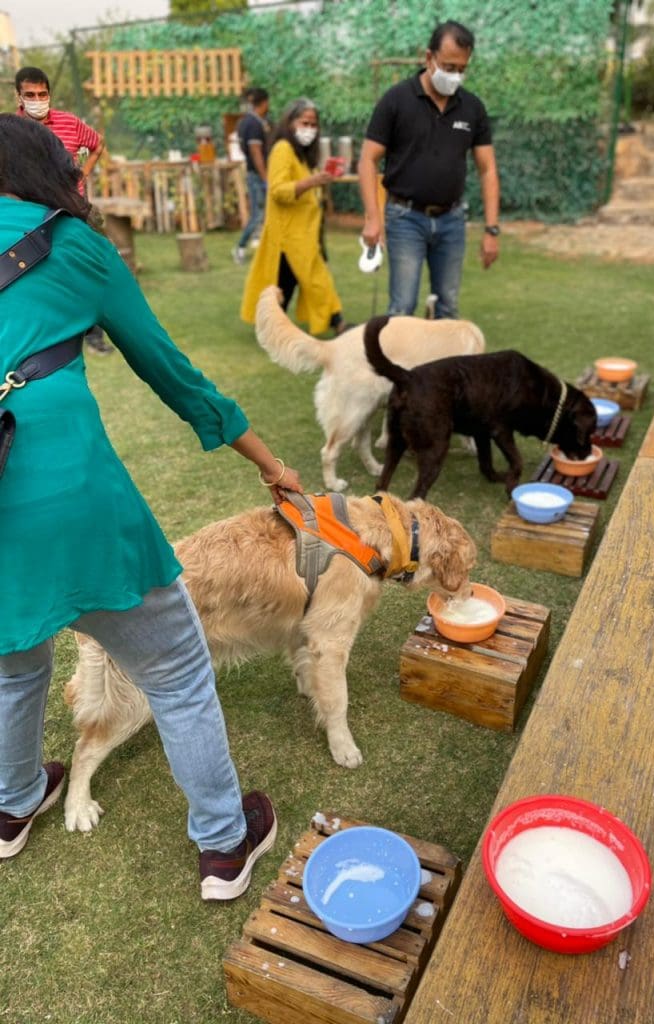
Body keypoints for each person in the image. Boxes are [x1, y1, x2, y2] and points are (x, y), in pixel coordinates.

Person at [0, 114, 303, 900]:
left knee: (11, 666)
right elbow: (172, 372)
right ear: (46, 172)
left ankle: (11, 806)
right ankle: (225, 845)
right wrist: (268, 462)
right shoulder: (73, 245)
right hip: (70, 493)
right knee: (174, 667)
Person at [358, 19, 500, 320]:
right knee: (402, 308)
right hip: (404, 218)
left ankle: (440, 369)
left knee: (448, 308)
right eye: (448, 67)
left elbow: (487, 169)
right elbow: (368, 159)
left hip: (452, 220)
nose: (455, 75)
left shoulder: (472, 108)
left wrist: (491, 229)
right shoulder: (396, 100)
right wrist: (373, 219)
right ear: (428, 58)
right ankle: (394, 367)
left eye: (462, 69)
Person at [15, 65, 113, 354]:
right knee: (43, 276)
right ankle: (52, 338)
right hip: (33, 214)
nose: (37, 99)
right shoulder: (12, 129)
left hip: (73, 210)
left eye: (42, 93)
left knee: (88, 269)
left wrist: (82, 174)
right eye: (30, 94)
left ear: (49, 94)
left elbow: (97, 143)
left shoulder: (69, 123)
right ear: (18, 96)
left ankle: (94, 333)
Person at [240, 97, 348, 336]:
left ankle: (330, 321)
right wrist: (312, 181)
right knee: (307, 279)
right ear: (290, 122)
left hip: (303, 231)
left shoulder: (302, 154)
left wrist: (319, 179)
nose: (309, 129)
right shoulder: (282, 149)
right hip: (288, 232)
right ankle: (335, 321)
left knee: (294, 281)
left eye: (313, 124)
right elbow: (278, 190)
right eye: (304, 123)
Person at [232, 87, 271, 265]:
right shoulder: (255, 124)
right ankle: (240, 247)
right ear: (263, 103)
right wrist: (265, 178)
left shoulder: (244, 122)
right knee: (258, 215)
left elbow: (242, 148)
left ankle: (267, 249)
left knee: (265, 214)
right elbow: (255, 152)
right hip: (257, 175)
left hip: (252, 173)